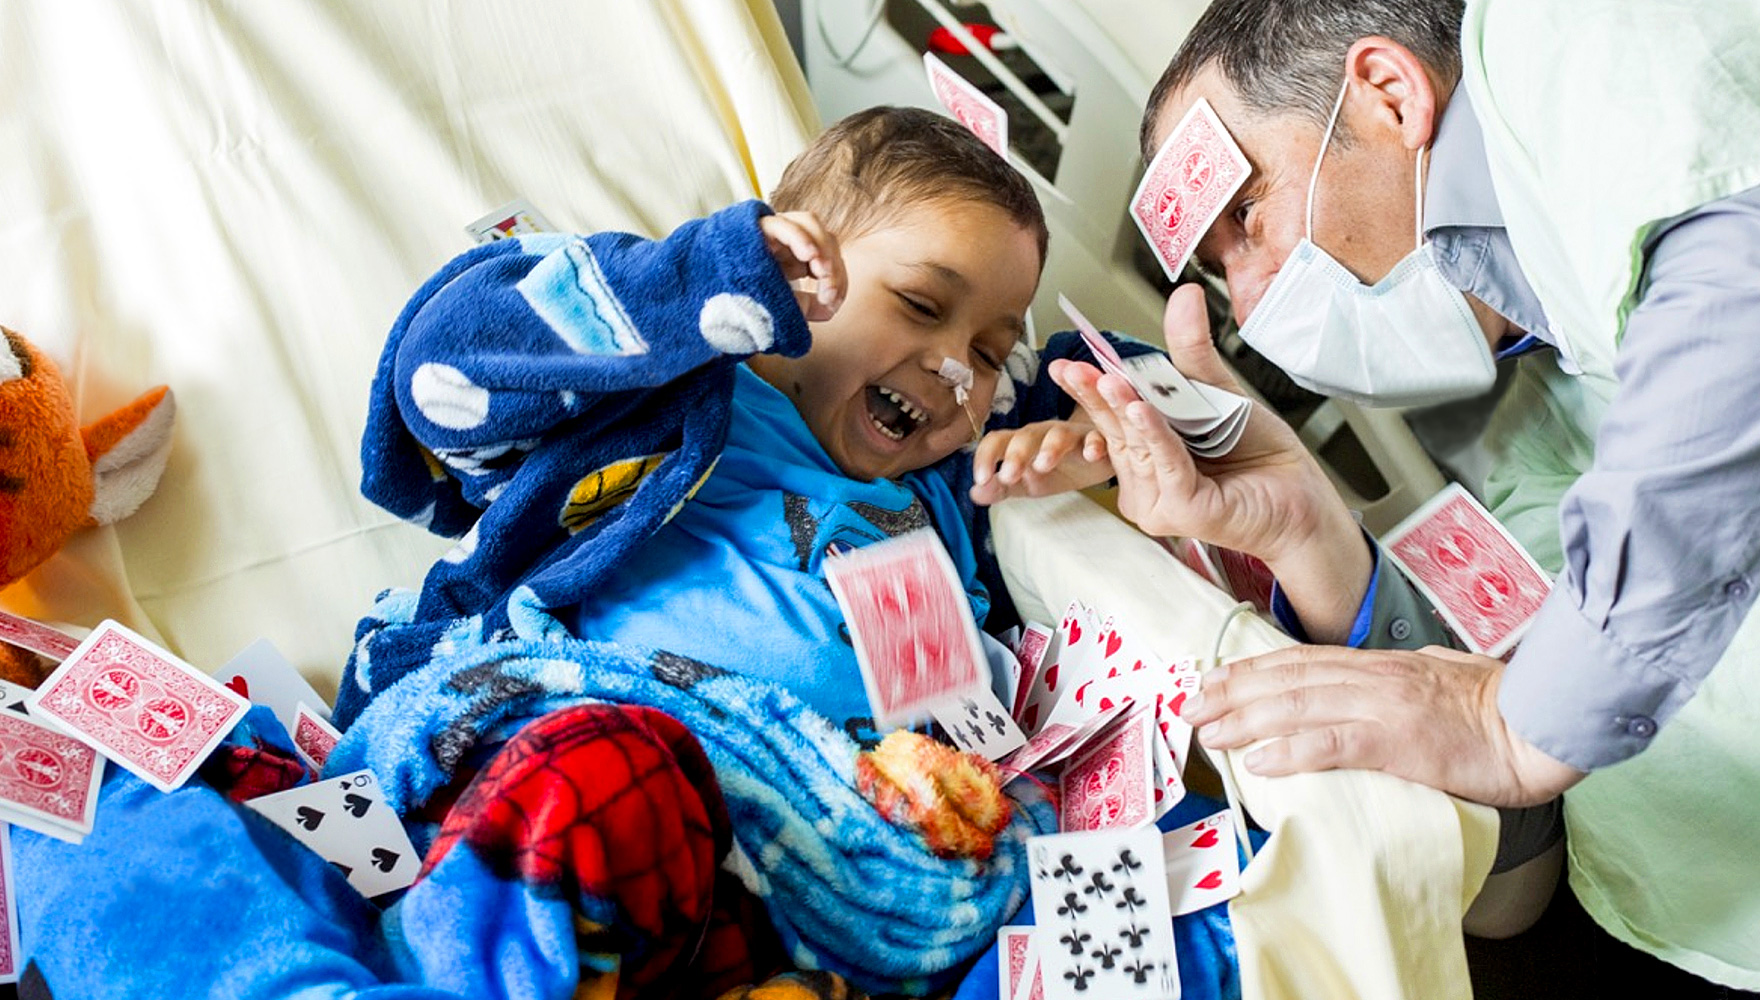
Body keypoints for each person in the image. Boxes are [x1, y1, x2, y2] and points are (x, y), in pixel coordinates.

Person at [1016, 0, 1760, 989]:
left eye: (1245, 217)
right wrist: (1309, 532)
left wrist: (1517, 720)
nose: (1248, 304)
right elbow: (1521, 834)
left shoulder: (1568, 41)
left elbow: (1732, 307)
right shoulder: (1517, 397)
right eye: (1217, 268)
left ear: (1388, 93)